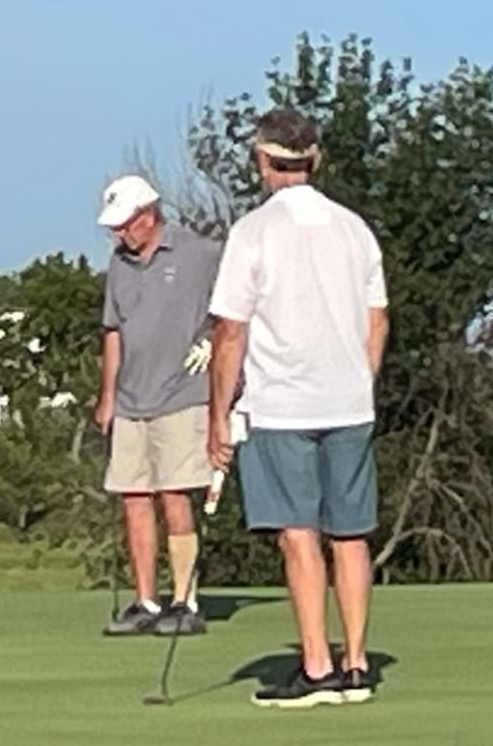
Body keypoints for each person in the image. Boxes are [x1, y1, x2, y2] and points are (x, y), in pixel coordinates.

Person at [206, 109, 390, 708]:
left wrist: (217, 417)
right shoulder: (355, 228)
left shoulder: (253, 233)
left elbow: (229, 333)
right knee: (351, 533)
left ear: (263, 161)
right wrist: (359, 379)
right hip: (348, 401)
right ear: (315, 160)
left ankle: (317, 667)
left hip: (281, 404)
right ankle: (357, 663)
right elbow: (377, 320)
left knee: (299, 533)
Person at [92, 173, 222, 639]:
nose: (118, 234)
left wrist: (212, 339)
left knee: (175, 494)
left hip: (183, 394)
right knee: (134, 497)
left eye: (125, 225)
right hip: (132, 398)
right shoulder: (120, 266)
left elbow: (234, 303)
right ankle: (146, 599)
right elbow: (114, 331)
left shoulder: (198, 252)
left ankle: (186, 600)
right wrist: (107, 396)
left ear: (148, 216)